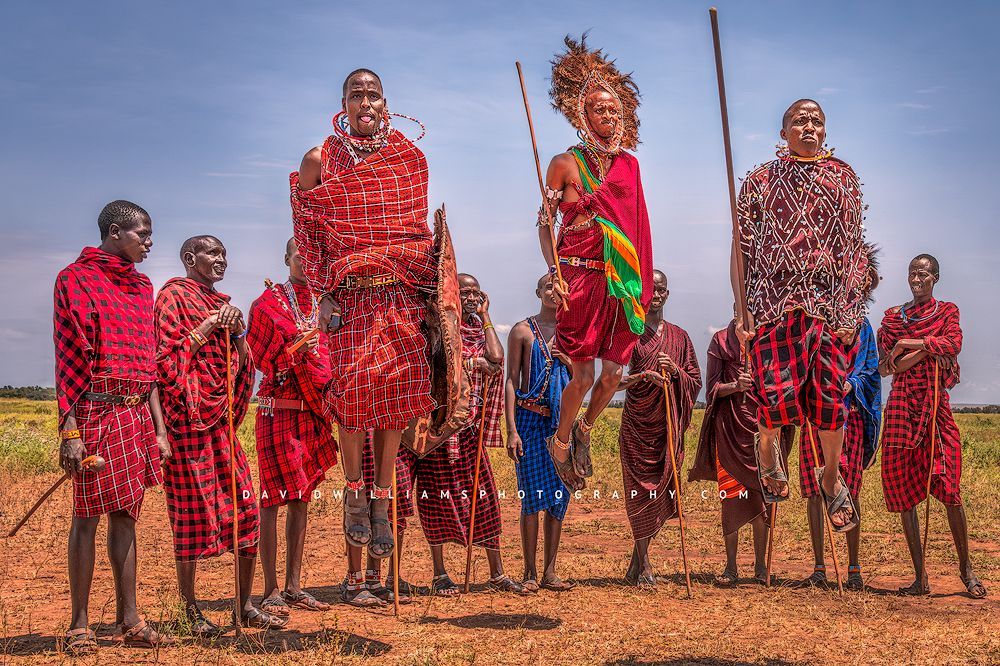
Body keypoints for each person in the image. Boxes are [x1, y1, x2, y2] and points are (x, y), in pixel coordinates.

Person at [292, 68, 436, 584]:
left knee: (395, 395)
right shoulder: (320, 159)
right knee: (353, 395)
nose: (366, 102)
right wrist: (323, 290)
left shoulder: (409, 159)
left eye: (374, 95)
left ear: (386, 102)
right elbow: (306, 231)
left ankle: (380, 497)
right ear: (343, 103)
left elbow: (417, 229)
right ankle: (354, 490)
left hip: (397, 293)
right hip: (350, 298)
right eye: (357, 95)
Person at [734, 98, 873, 532]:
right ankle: (768, 447)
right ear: (784, 133)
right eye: (799, 120)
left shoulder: (845, 179)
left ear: (825, 132)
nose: (808, 126)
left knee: (831, 404)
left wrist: (851, 310)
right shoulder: (759, 181)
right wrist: (742, 313)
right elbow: (741, 253)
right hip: (773, 305)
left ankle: (830, 479)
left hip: (829, 312)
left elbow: (854, 250)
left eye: (816, 121)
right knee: (774, 398)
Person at [537, 35, 654, 491]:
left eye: (614, 110)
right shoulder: (565, 163)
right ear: (582, 114)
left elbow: (637, 225)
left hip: (620, 280)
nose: (608, 116)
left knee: (613, 374)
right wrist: (554, 273)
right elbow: (545, 225)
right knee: (582, 373)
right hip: (580, 280)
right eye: (599, 109)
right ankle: (561, 441)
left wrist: (641, 279)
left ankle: (585, 430)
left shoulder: (630, 165)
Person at [53, 200, 170, 654]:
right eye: (142, 233)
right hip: (96, 413)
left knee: (127, 516)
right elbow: (67, 363)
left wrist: (159, 430)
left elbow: (150, 366)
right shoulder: (74, 280)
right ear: (116, 231)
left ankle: (130, 619)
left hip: (137, 414)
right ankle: (80, 624)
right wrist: (71, 432)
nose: (149, 242)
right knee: (86, 515)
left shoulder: (143, 287)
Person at [156, 235, 286, 632]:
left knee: (247, 512)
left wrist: (238, 332)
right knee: (191, 518)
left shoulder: (223, 305)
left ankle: (244, 604)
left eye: (225, 253)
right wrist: (211, 324)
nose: (221, 260)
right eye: (213, 253)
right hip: (186, 426)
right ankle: (189, 608)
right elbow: (164, 362)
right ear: (189, 257)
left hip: (221, 424)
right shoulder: (171, 299)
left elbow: (243, 368)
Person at [411, 274, 528, 596]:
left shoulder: (477, 327)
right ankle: (440, 574)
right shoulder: (439, 330)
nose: (473, 298)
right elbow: (442, 364)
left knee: (486, 500)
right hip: (439, 430)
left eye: (477, 293)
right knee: (435, 501)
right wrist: (475, 363)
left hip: (469, 430)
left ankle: (497, 573)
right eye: (466, 293)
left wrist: (487, 316)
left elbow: (497, 357)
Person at [878, 254, 986, 598]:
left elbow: (953, 343)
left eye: (923, 273)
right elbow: (884, 367)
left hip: (936, 405)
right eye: (912, 272)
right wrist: (922, 349)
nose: (916, 278)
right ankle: (920, 577)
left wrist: (907, 346)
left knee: (950, 488)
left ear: (935, 277)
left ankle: (967, 571)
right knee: (903, 492)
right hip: (901, 408)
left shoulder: (946, 311)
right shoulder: (893, 317)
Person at [246, 238, 339, 616]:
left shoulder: (329, 305)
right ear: (287, 260)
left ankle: (294, 586)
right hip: (278, 411)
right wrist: (292, 351)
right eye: (298, 255)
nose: (304, 261)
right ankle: (269, 590)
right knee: (271, 501)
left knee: (301, 497)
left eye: (310, 254)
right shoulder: (267, 304)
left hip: (312, 413)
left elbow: (338, 354)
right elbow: (260, 357)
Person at [690, 309, 794, 586]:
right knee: (731, 499)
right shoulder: (722, 341)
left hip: (764, 431)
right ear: (736, 310)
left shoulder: (771, 339)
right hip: (730, 432)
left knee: (763, 498)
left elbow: (785, 380)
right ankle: (731, 567)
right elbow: (712, 388)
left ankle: (761, 568)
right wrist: (736, 386)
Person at [798, 261, 882, 590]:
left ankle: (854, 569)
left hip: (850, 417)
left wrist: (850, 383)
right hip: (817, 416)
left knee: (850, 490)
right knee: (816, 492)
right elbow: (802, 359)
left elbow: (870, 370)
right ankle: (820, 567)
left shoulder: (864, 327)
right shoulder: (816, 321)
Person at [617, 270, 701, 587]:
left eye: (662, 289)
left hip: (668, 429)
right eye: (652, 289)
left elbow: (695, 381)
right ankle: (646, 567)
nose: (657, 294)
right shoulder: (630, 334)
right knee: (639, 495)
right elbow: (613, 382)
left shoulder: (680, 337)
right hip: (637, 428)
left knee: (660, 494)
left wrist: (675, 370)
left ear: (668, 294)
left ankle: (636, 563)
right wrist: (642, 377)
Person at [505, 275, 573, 592]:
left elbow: (582, 377)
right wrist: (511, 430)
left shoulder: (573, 332)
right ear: (538, 292)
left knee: (559, 498)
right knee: (531, 500)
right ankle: (530, 572)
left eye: (559, 287)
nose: (553, 291)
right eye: (548, 286)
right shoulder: (522, 331)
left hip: (560, 425)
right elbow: (511, 381)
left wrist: (568, 360)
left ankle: (550, 572)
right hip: (530, 422)